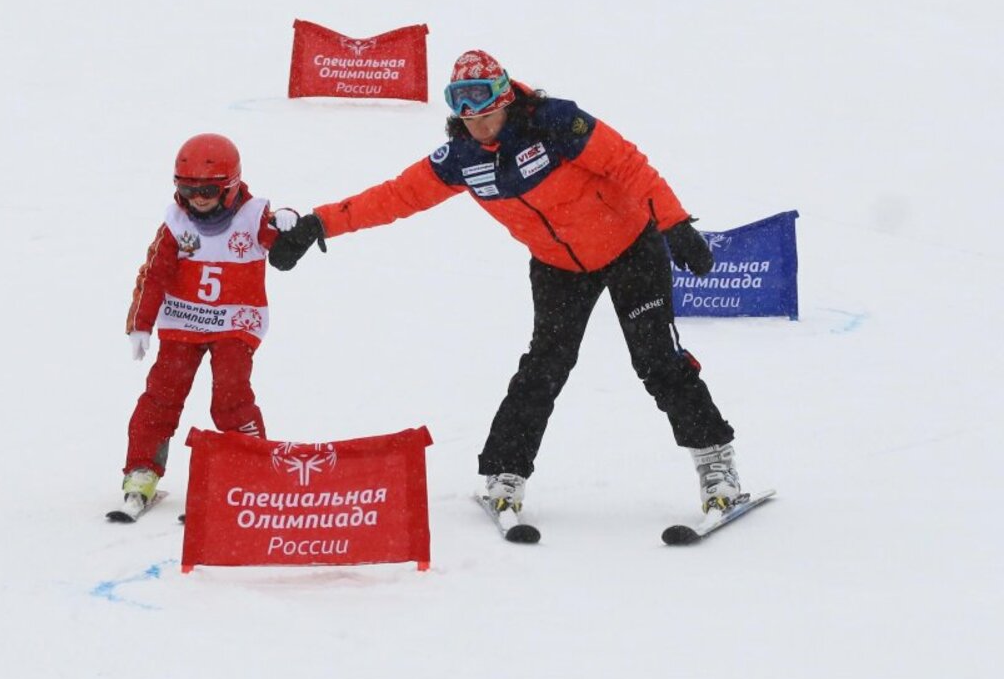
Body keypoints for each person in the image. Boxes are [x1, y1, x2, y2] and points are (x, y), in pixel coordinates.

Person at [269, 50, 743, 516]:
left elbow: (627, 163)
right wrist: (320, 223)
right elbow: (397, 196)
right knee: (544, 367)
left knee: (656, 358)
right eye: (461, 103)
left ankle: (716, 462)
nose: (474, 116)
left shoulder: (555, 122)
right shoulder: (462, 157)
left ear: (506, 96)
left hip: (630, 249)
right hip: (559, 266)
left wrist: (674, 223)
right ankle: (505, 474)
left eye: (483, 101)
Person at [118, 133, 298, 518]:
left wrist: (288, 222)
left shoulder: (252, 215)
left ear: (230, 187)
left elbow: (277, 239)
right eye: (187, 189)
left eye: (209, 190)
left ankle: (252, 471)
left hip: (234, 324)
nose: (198, 198)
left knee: (231, 396)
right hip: (185, 322)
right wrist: (141, 324)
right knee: (162, 395)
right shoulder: (176, 222)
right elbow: (154, 274)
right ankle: (142, 471)